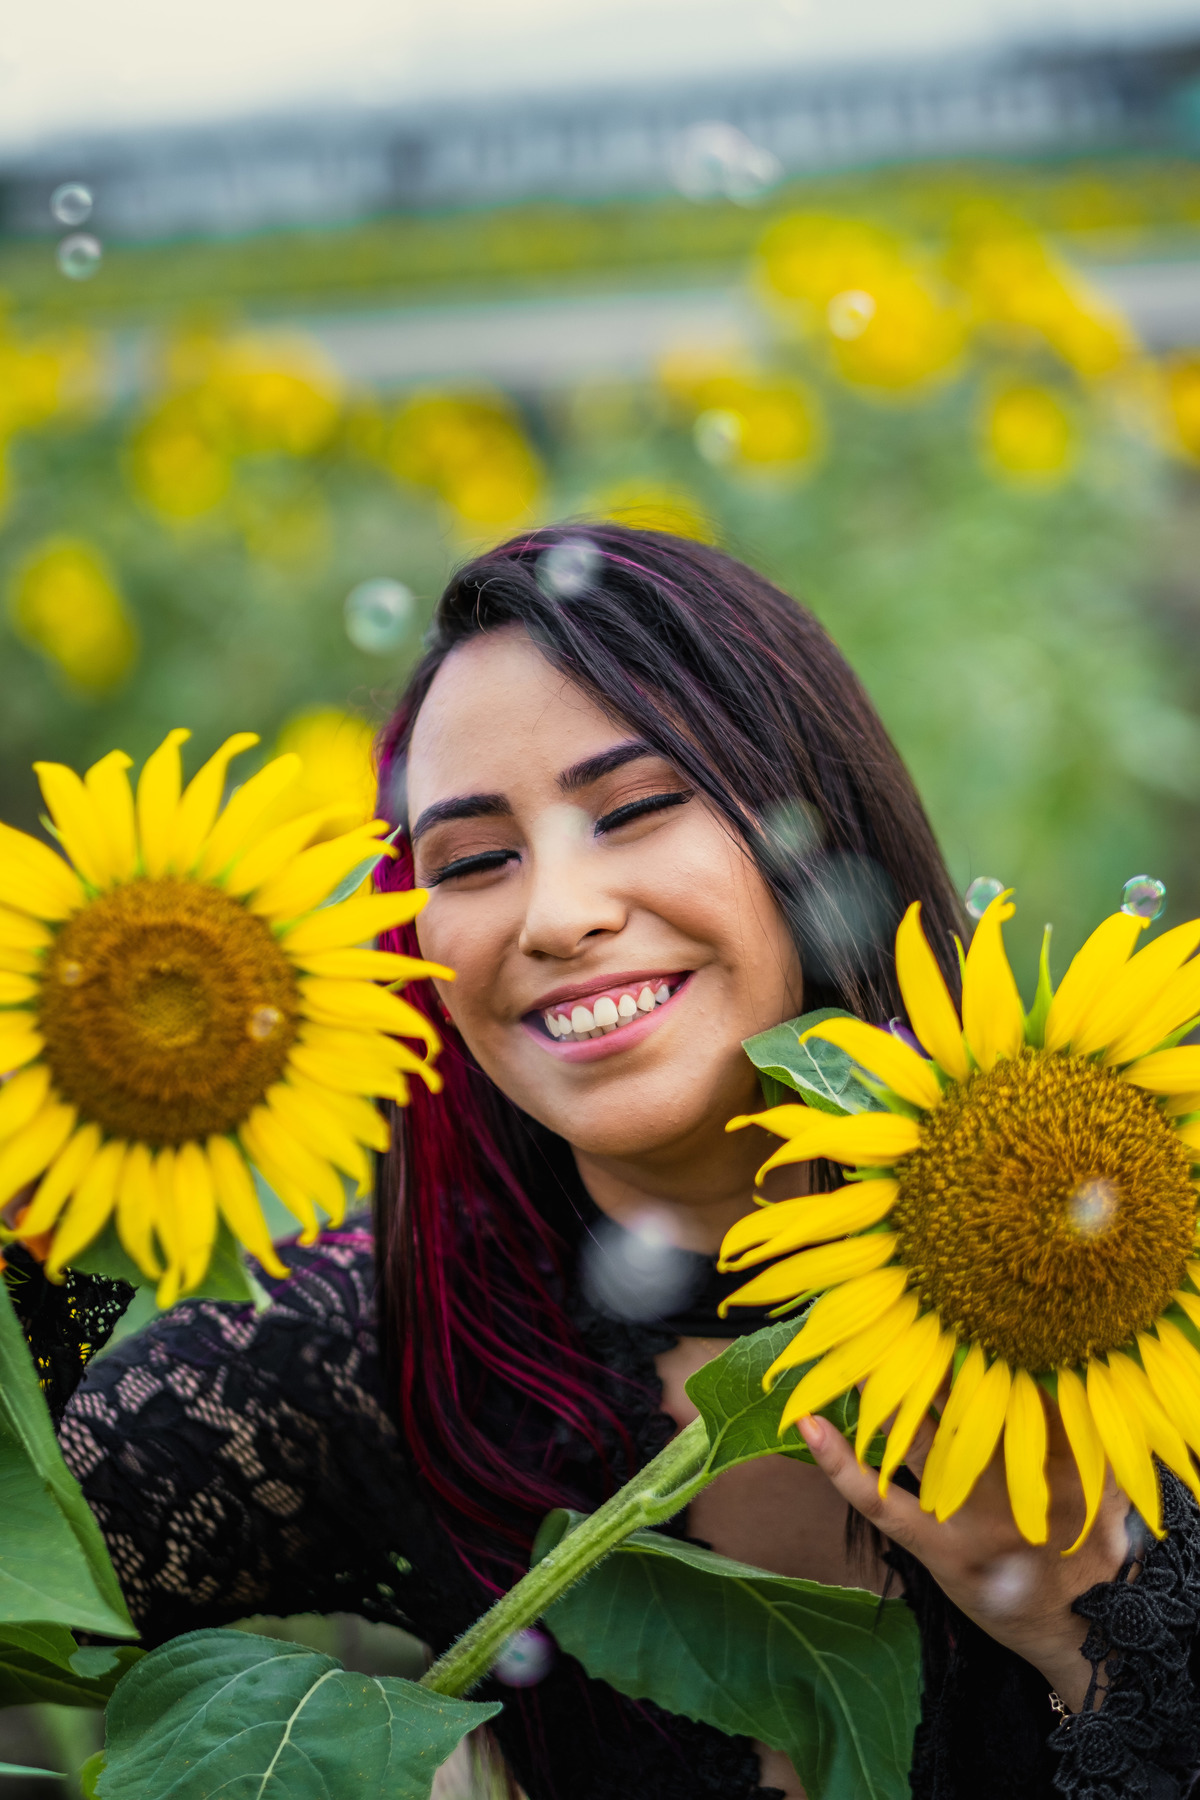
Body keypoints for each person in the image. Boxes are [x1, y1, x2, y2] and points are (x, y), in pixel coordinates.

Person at [40, 525, 1200, 1799]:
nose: (556, 916)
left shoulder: (1156, 1250)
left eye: (637, 808)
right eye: (474, 862)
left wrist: (1084, 1620)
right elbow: (28, 1546)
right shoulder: (386, 1348)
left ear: (811, 829)